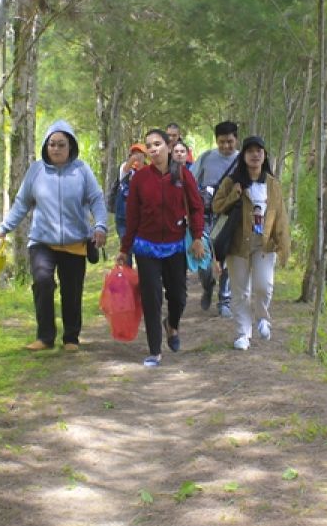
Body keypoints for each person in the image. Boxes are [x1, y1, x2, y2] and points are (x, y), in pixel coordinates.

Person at [0, 120, 107, 352]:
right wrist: (3, 229)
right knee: (43, 282)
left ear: (71, 146)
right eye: (51, 144)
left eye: (61, 144)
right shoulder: (36, 170)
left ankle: (70, 338)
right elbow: (21, 203)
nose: (56, 149)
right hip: (42, 242)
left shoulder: (81, 170)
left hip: (75, 242)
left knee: (72, 290)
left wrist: (101, 226)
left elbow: (96, 199)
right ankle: (45, 337)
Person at [116, 128, 205, 367]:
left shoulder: (183, 175)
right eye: (149, 146)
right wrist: (125, 249)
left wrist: (197, 237)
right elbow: (131, 216)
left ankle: (172, 325)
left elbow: (196, 207)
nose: (153, 149)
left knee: (178, 296)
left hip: (176, 246)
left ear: (168, 146)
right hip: (146, 248)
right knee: (151, 298)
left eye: (157, 144)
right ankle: (154, 350)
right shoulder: (140, 179)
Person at [212, 135, 290, 351]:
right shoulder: (232, 182)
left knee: (264, 286)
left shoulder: (272, 184)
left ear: (264, 156)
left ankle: (263, 318)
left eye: (259, 151)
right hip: (238, 244)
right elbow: (216, 207)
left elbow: (281, 215)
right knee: (240, 291)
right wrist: (233, 196)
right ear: (243, 156)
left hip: (264, 244)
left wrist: (284, 244)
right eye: (250, 151)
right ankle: (242, 334)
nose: (255, 155)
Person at [191, 120, 239, 317]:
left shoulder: (242, 160)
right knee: (202, 253)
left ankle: (224, 300)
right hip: (206, 214)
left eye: (229, 141)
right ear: (216, 141)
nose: (226, 146)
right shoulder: (206, 158)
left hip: (228, 215)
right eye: (221, 142)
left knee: (227, 255)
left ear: (236, 139)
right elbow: (190, 180)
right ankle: (207, 283)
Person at [110, 142, 147, 267]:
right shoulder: (124, 168)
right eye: (134, 153)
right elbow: (125, 170)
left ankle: (143, 281)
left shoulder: (147, 170)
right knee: (127, 250)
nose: (136, 156)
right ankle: (128, 280)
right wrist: (133, 160)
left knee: (141, 251)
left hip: (140, 218)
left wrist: (141, 163)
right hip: (123, 217)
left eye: (140, 153)